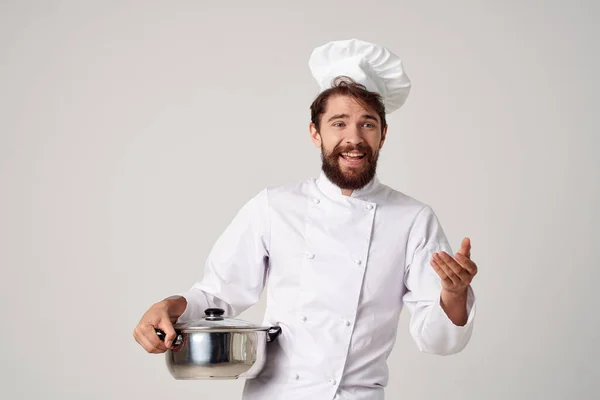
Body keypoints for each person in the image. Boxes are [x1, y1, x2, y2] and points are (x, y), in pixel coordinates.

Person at [133, 38, 478, 400]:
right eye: (339, 123)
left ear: (383, 135)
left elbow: (439, 342)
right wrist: (167, 307)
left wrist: (454, 294)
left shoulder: (413, 219)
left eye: (367, 125)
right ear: (316, 133)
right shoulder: (273, 207)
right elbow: (218, 293)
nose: (353, 139)